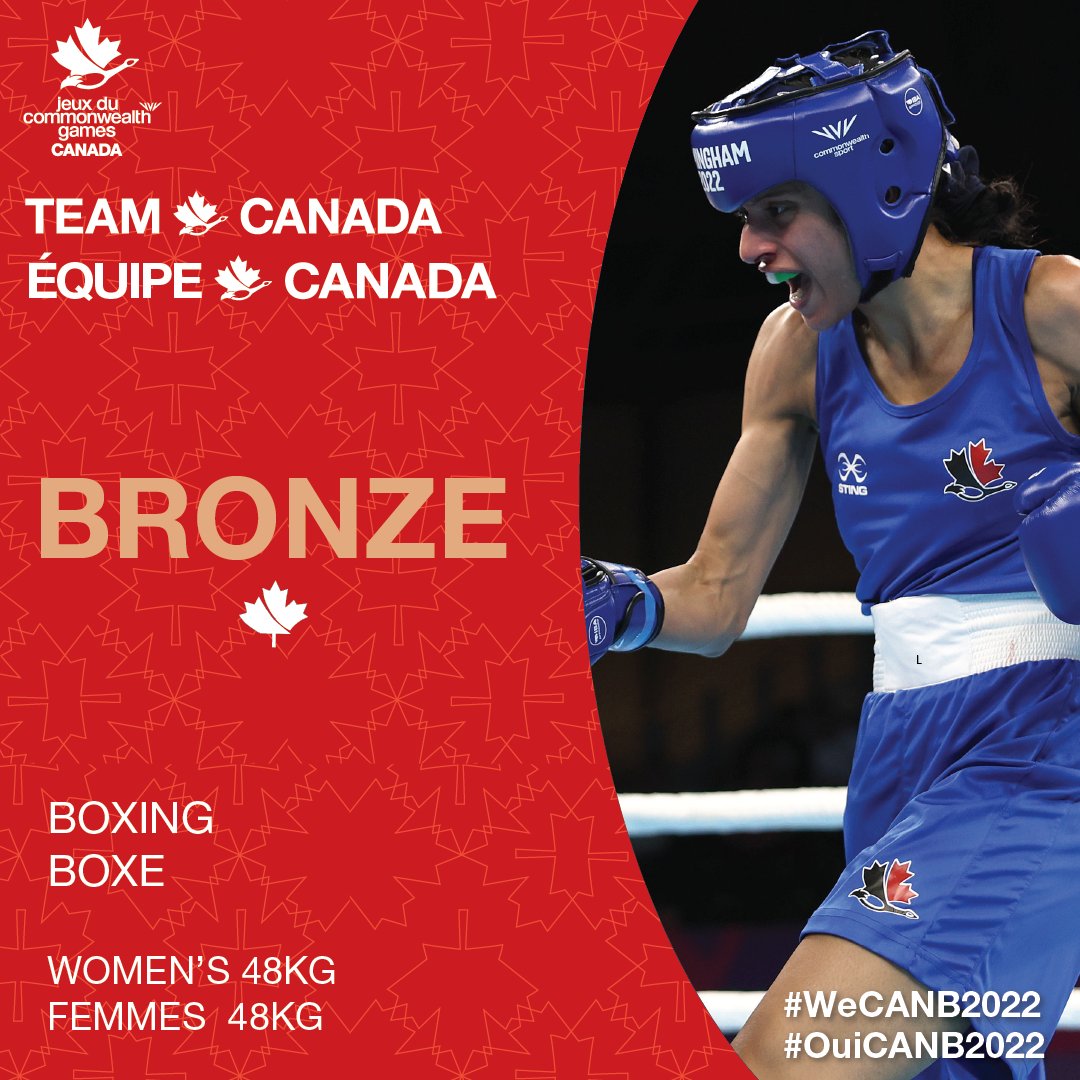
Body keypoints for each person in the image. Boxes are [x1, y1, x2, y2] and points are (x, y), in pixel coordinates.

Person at [583, 30, 1080, 1079]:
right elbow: (714, 598)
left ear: (876, 189)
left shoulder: (1053, 312)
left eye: (775, 213)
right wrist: (618, 606)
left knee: (786, 1058)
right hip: (901, 752)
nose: (749, 249)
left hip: (1045, 754)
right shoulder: (796, 355)